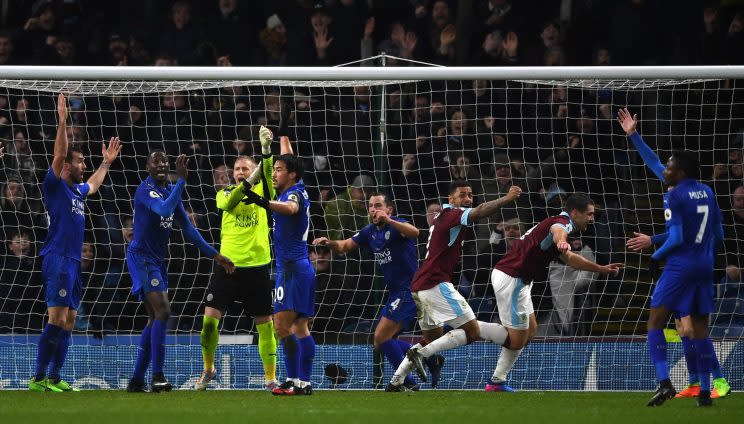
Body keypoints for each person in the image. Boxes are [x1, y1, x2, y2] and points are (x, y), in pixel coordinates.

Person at [618, 108, 728, 406]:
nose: (663, 169)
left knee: (663, 324)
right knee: (694, 330)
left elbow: (679, 236)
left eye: (669, 167)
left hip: (680, 265)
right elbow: (717, 234)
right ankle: (704, 389)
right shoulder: (706, 191)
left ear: (679, 171)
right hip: (704, 265)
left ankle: (673, 381)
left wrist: (655, 251)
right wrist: (633, 135)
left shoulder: (675, 194)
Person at [386, 180, 521, 391]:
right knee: (472, 331)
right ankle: (421, 355)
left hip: (420, 287)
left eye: (470, 194)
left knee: (431, 338)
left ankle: (396, 381)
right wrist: (507, 198)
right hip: (436, 284)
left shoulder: (442, 216)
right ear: (451, 199)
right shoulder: (453, 214)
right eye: (462, 195)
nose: (467, 199)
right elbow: (480, 212)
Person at [29, 94, 121, 392]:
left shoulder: (78, 192)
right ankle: (38, 377)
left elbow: (93, 184)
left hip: (72, 262)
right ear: (67, 166)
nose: (84, 164)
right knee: (56, 318)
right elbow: (58, 156)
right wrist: (63, 122)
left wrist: (106, 164)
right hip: (56, 257)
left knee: (69, 320)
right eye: (80, 161)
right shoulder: (55, 186)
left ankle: (55, 378)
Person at [487, 193, 622, 392]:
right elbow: (558, 231)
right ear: (575, 212)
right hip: (510, 277)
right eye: (590, 214)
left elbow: (571, 260)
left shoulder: (561, 224)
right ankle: (471, 331)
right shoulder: (562, 223)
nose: (592, 218)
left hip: (520, 280)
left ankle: (497, 381)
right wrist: (561, 241)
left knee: (531, 330)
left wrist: (601, 269)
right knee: (517, 338)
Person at [125, 151, 234, 393]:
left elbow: (189, 229)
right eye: (156, 161)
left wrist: (215, 255)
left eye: (165, 161)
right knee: (163, 312)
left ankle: (136, 380)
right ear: (147, 166)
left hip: (157, 260)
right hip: (141, 257)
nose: (162, 164)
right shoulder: (145, 190)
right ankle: (158, 376)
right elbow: (163, 211)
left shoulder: (169, 191)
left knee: (154, 318)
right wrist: (182, 181)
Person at [313, 192, 444, 390]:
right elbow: (345, 245)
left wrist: (389, 220)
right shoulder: (369, 231)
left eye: (378, 205)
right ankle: (430, 360)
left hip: (410, 289)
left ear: (389, 209)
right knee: (381, 341)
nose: (374, 209)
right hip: (395, 291)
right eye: (371, 206)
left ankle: (407, 383)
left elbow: (415, 232)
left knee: (381, 337)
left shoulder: (397, 224)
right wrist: (328, 243)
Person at [196, 126, 278, 391]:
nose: (240, 172)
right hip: (228, 267)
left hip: (257, 267)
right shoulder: (225, 194)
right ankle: (208, 369)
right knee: (209, 322)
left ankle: (270, 378)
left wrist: (266, 151)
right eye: (237, 169)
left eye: (246, 168)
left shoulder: (265, 195)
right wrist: (251, 178)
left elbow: (266, 175)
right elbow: (230, 203)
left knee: (266, 327)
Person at [241, 135, 316, 396]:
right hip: (300, 267)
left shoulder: (293, 194)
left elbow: (291, 209)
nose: (273, 174)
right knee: (299, 327)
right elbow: (289, 157)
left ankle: (294, 380)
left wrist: (263, 201)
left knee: (281, 326)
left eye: (278, 170)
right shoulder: (298, 183)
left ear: (292, 175)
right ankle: (302, 383)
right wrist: (283, 132)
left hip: (293, 269)